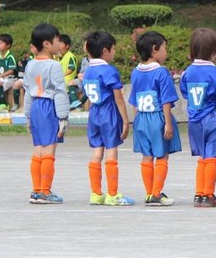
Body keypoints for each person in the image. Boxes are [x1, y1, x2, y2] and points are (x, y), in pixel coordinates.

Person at [129, 31, 181, 206]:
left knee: (147, 156)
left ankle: (149, 193)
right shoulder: (161, 72)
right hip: (158, 117)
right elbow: (166, 100)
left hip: (141, 118)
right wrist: (168, 124)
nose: (166, 52)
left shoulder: (135, 72)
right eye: (164, 47)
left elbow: (134, 100)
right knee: (162, 156)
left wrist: (137, 121)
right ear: (154, 49)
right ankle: (157, 193)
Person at [82, 31, 133, 206]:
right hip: (108, 112)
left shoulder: (88, 71)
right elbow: (118, 98)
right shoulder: (109, 70)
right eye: (113, 49)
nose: (114, 52)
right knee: (111, 149)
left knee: (97, 150)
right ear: (105, 50)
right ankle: (112, 194)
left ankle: (96, 193)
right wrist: (125, 120)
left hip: (94, 112)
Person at [23, 23, 70, 204]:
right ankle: (45, 191)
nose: (60, 44)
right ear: (47, 44)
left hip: (35, 107)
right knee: (49, 149)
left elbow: (27, 91)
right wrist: (63, 117)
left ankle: (36, 190)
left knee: (38, 149)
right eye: (57, 40)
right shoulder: (54, 65)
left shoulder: (30, 64)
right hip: (49, 107)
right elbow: (59, 92)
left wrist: (28, 116)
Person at [181, 28, 216, 208]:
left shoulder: (187, 72)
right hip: (212, 117)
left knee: (202, 157)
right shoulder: (215, 72)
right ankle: (208, 194)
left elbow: (185, 92)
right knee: (212, 156)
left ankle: (199, 193)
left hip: (194, 119)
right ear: (214, 51)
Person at [0, 34, 20, 111]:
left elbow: (11, 71)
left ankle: (4, 105)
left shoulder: (10, 56)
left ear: (8, 45)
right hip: (0, 78)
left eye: (1, 43)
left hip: (10, 78)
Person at [57, 34, 82, 110]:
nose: (58, 46)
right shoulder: (60, 57)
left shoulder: (70, 56)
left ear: (67, 46)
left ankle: (77, 105)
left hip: (68, 85)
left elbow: (71, 69)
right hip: (62, 86)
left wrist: (61, 75)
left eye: (61, 44)